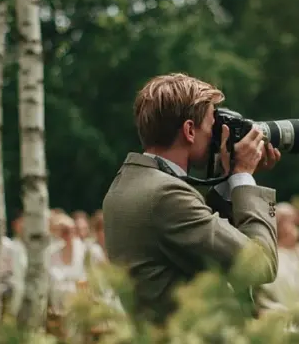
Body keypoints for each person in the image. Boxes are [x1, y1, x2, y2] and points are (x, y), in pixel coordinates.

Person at [101, 73, 282, 324]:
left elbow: (195, 235)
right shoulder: (165, 195)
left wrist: (227, 180)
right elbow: (260, 264)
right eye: (211, 126)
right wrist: (242, 177)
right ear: (189, 130)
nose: (217, 138)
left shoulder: (130, 183)